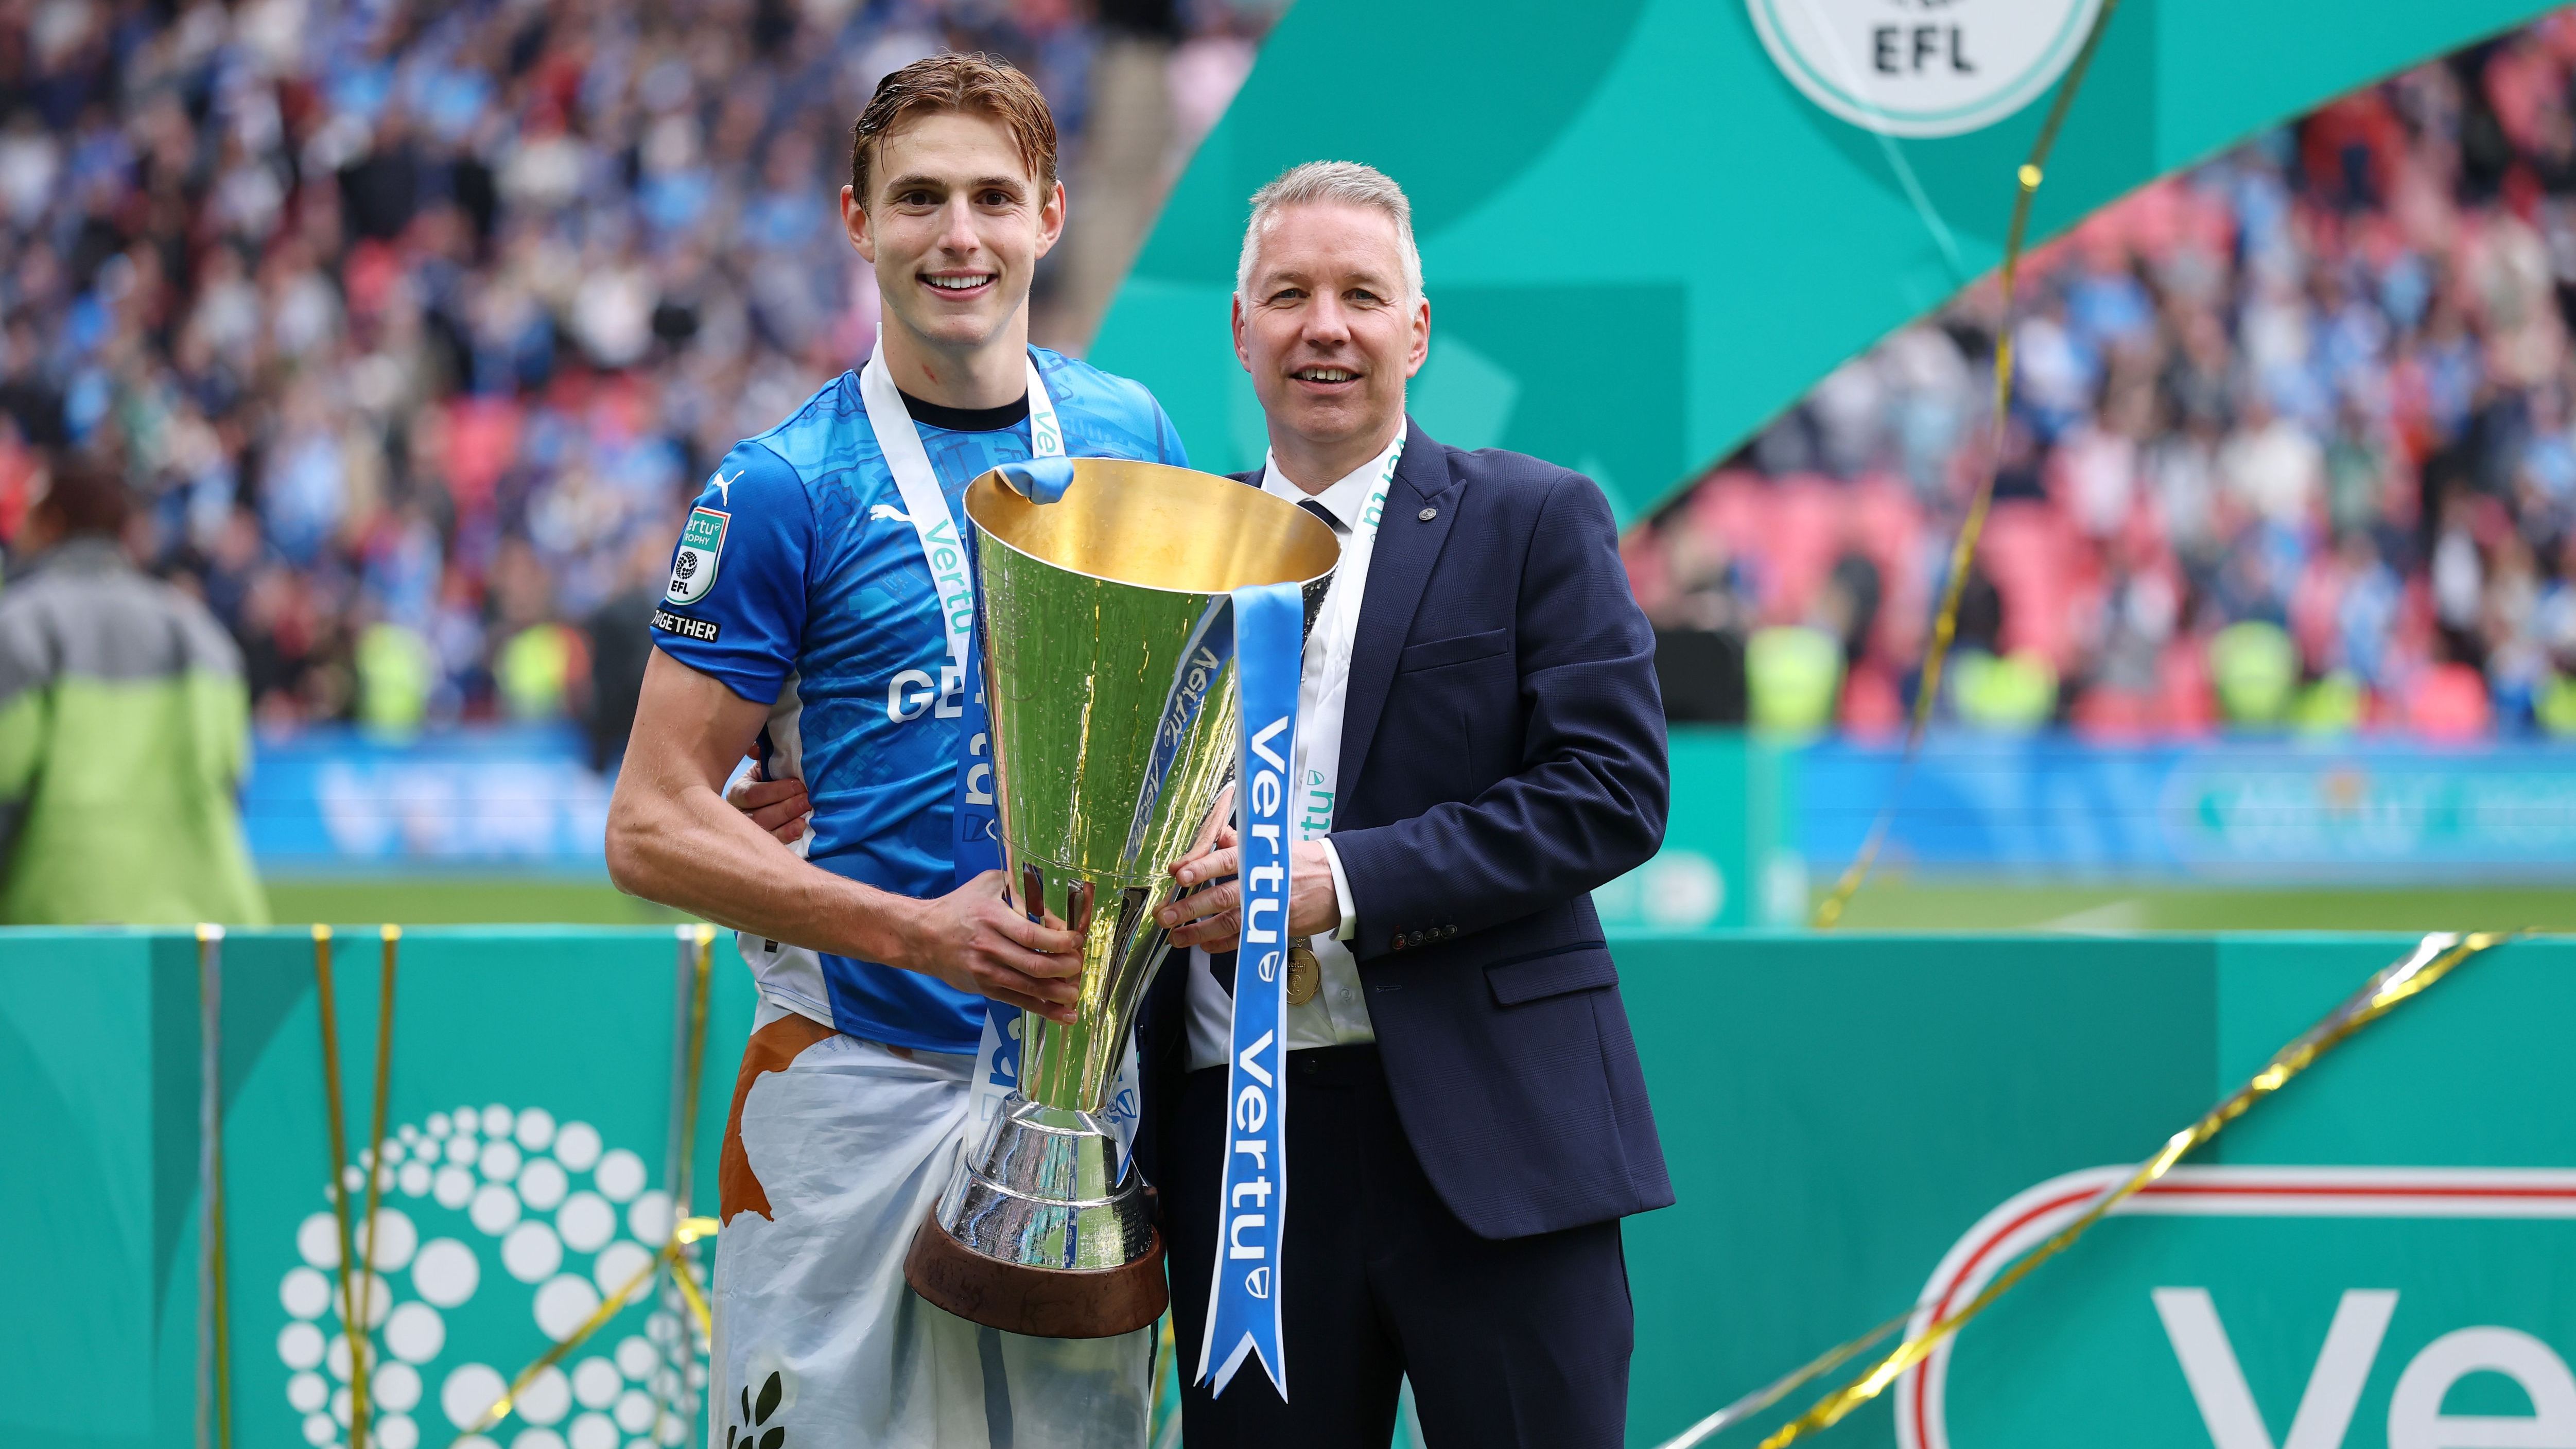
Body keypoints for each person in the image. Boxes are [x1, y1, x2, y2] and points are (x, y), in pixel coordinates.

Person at [602, 54, 1187, 1449]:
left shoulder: (1129, 439)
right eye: (917, 198)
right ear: (856, 221)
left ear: (1050, 212)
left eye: (992, 197)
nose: (958, 235)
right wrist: (917, 929)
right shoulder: (782, 485)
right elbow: (646, 823)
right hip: (849, 1086)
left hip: (1077, 1095)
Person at [1142, 162, 1673, 1447]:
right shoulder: (1164, 563)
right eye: (1287, 295)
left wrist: (1345, 879)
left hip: (1489, 1138)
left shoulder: (1532, 517)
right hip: (1239, 1151)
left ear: (1415, 331)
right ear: (1239, 329)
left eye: (1359, 295)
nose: (1323, 326)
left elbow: (1612, 791)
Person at [0, 453, 267, 924]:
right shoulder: (199, 632)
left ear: (52, 524)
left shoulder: (21, 628)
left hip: (59, 933)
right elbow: (230, 785)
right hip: (198, 931)